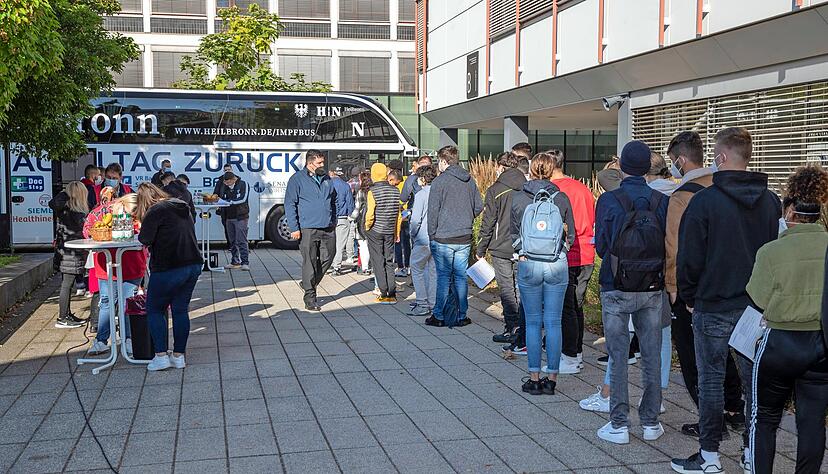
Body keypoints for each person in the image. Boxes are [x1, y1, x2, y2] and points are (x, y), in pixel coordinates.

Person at [672, 127, 782, 473]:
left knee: (710, 381)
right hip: (754, 307)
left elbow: (689, 256)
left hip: (712, 304)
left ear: (719, 158)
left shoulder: (704, 201)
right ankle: (751, 454)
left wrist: (689, 297)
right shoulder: (772, 202)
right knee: (753, 383)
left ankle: (709, 457)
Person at [744, 166, 828, 474]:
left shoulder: (771, 251)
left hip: (779, 343)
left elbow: (757, 298)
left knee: (763, 417)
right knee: (812, 422)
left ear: (789, 209)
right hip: (821, 344)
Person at [664, 131, 745, 439]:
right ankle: (735, 410)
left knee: (694, 358)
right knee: (726, 354)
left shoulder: (684, 194)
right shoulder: (726, 186)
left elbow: (674, 246)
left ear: (681, 160)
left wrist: (674, 286)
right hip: (734, 286)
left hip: (695, 290)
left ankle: (711, 422)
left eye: (673, 161)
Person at [594, 140, 669, 445]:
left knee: (618, 354)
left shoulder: (610, 200)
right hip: (652, 286)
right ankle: (651, 422)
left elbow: (601, 245)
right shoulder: (660, 201)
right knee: (651, 353)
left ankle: (619, 424)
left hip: (616, 285)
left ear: (622, 167)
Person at [511, 153, 575, 395]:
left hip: (529, 263)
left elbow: (512, 235)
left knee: (533, 322)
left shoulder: (518, 198)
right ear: (551, 171)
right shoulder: (562, 198)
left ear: (531, 170)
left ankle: (534, 377)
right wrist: (561, 250)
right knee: (554, 322)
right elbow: (572, 235)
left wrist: (523, 253)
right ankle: (552, 379)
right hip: (556, 264)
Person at [135, 183, 201, 371]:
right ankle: (179, 356)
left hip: (168, 267)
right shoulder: (182, 207)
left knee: (155, 309)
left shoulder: (155, 211)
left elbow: (144, 239)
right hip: (193, 264)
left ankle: (161, 356)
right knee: (180, 310)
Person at [425, 145, 483, 327]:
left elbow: (433, 212)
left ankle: (439, 315)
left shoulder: (439, 182)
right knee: (460, 277)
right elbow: (478, 206)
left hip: (442, 237)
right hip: (464, 235)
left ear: (443, 161)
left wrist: (431, 234)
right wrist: (466, 218)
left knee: (443, 277)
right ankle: (461, 315)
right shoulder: (469, 180)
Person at [549, 149, 595, 374]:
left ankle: (570, 356)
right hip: (587, 251)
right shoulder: (582, 187)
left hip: (568, 253)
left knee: (566, 307)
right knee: (576, 307)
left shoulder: (555, 191)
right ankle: (576, 352)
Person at [85, 194, 148, 356]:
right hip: (106, 266)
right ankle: (101, 340)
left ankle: (128, 338)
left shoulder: (141, 215)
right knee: (107, 302)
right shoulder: (101, 212)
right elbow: (87, 230)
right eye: (132, 212)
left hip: (131, 266)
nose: (133, 215)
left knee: (128, 304)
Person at [476, 151, 526, 343]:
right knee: (522, 288)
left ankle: (511, 327)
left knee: (506, 289)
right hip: (524, 245)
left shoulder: (495, 190)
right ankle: (524, 326)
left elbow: (488, 222)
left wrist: (481, 248)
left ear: (500, 167)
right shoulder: (527, 186)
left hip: (501, 246)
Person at [284, 149, 336, 311]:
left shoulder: (326, 178)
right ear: (310, 163)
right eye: (319, 163)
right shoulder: (297, 179)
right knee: (310, 262)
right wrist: (294, 228)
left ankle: (308, 282)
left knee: (329, 256)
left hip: (327, 226)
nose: (322, 165)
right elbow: (289, 204)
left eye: (323, 162)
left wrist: (333, 219)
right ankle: (310, 297)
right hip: (307, 228)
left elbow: (332, 199)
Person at [644, 153, 678, 398]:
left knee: (647, 332)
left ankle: (653, 390)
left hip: (650, 270)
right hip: (673, 268)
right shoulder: (680, 192)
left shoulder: (650, 196)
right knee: (664, 332)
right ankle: (662, 386)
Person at [50, 182, 89, 329]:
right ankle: (62, 317)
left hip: (66, 252)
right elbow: (53, 202)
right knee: (66, 285)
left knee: (67, 284)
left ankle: (66, 314)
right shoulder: (72, 211)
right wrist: (67, 192)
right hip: (70, 254)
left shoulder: (66, 210)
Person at [364, 163, 402, 303]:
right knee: (389, 261)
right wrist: (396, 232)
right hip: (390, 231)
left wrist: (367, 227)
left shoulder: (372, 191)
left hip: (375, 230)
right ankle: (392, 293)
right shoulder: (395, 190)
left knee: (378, 261)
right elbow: (398, 215)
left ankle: (384, 292)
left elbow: (370, 214)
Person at [408, 164, 438, 316]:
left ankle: (422, 302)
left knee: (417, 268)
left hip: (422, 237)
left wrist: (412, 234)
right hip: (437, 237)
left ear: (422, 178)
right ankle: (433, 303)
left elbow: (415, 220)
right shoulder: (439, 193)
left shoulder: (421, 195)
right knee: (433, 271)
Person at [218, 171, 250, 271]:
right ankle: (235, 261)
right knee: (232, 241)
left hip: (240, 216)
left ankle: (245, 262)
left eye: (228, 183)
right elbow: (223, 197)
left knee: (241, 240)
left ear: (233, 179)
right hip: (228, 216)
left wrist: (229, 202)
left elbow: (243, 199)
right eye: (225, 183)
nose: (227, 185)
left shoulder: (243, 184)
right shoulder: (225, 186)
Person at [330, 167, 356, 275]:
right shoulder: (346, 185)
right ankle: (337, 267)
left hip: (330, 218)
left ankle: (328, 265)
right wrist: (351, 216)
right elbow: (350, 204)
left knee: (329, 244)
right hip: (343, 218)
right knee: (339, 245)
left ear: (331, 173)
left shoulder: (327, 184)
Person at [351, 169, 373, 275]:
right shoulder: (374, 190)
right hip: (374, 220)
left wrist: (350, 218)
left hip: (362, 221)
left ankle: (365, 267)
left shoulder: (361, 192)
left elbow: (357, 208)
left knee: (363, 245)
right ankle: (372, 266)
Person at [214, 163, 233, 246]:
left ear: (232, 170)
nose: (227, 171)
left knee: (236, 227)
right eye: (225, 170)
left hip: (234, 207)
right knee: (226, 227)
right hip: (224, 209)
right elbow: (215, 194)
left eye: (229, 170)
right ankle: (230, 245)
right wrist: (217, 204)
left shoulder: (237, 180)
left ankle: (236, 245)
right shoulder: (220, 181)